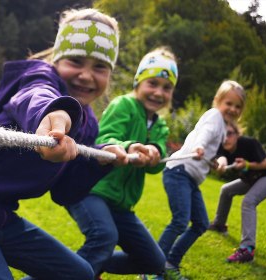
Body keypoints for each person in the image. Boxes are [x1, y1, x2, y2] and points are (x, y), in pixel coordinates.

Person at [0, 8, 128, 280]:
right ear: (56, 58)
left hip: (1, 215)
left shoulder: (89, 125)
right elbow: (35, 96)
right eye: (75, 61)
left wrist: (98, 161)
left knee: (80, 274)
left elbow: (65, 192)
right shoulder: (38, 78)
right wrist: (54, 114)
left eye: (99, 67)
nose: (86, 75)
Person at [66, 47, 179, 279]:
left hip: (121, 204)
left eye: (166, 88)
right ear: (138, 82)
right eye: (152, 83)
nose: (158, 92)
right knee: (103, 237)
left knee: (153, 261)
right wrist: (129, 147)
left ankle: (88, 263)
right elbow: (104, 139)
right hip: (92, 190)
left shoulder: (160, 125)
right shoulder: (123, 105)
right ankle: (82, 265)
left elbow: (156, 164)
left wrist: (154, 153)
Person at [156, 80, 246, 280]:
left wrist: (218, 162)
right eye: (228, 103)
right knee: (180, 221)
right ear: (218, 101)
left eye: (237, 106)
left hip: (190, 179)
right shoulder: (214, 116)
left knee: (201, 223)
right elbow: (203, 136)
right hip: (179, 171)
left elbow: (217, 152)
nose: (232, 109)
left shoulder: (223, 127)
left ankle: (170, 263)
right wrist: (200, 147)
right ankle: (152, 267)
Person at [209, 122, 266, 263]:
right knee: (226, 190)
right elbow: (222, 157)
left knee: (249, 201)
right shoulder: (223, 145)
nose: (225, 138)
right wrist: (222, 163)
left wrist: (247, 164)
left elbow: (265, 164)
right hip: (250, 178)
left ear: (237, 135)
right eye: (222, 135)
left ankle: (247, 250)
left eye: (229, 134)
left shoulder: (249, 143)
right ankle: (219, 225)